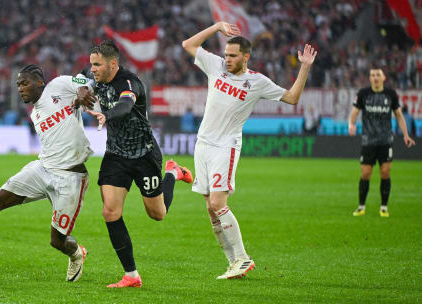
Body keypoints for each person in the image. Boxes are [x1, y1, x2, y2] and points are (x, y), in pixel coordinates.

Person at [182, 22, 317, 279]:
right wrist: (216, 27)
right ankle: (233, 263)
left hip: (226, 146)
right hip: (203, 145)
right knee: (210, 208)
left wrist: (305, 68)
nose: (227, 60)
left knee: (218, 203)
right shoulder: (215, 67)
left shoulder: (256, 82)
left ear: (246, 57)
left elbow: (292, 98)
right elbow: (188, 45)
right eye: (226, 55)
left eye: (233, 56)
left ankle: (243, 258)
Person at [0, 65, 96, 282]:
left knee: (57, 241)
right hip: (43, 169)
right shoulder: (36, 112)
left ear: (39, 82)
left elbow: (85, 79)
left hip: (70, 178)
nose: (20, 89)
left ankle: (76, 254)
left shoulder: (58, 85)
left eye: (25, 83)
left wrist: (84, 89)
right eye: (18, 85)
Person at [86, 41, 194, 288]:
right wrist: (81, 91)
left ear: (112, 64)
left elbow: (124, 106)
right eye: (91, 64)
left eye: (96, 64)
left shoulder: (130, 83)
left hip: (144, 155)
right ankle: (131, 275)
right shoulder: (94, 77)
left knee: (157, 214)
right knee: (110, 212)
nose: (92, 69)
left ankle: (173, 174)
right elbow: (79, 82)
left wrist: (107, 114)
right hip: (116, 155)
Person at [349, 68, 416, 218]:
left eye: (378, 75)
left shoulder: (390, 94)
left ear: (384, 77)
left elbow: (398, 115)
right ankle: (361, 206)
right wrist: (351, 124)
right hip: (368, 141)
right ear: (370, 78)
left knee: (385, 172)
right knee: (365, 173)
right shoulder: (363, 94)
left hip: (386, 141)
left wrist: (405, 134)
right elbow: (354, 112)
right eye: (372, 75)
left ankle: (384, 207)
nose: (375, 77)